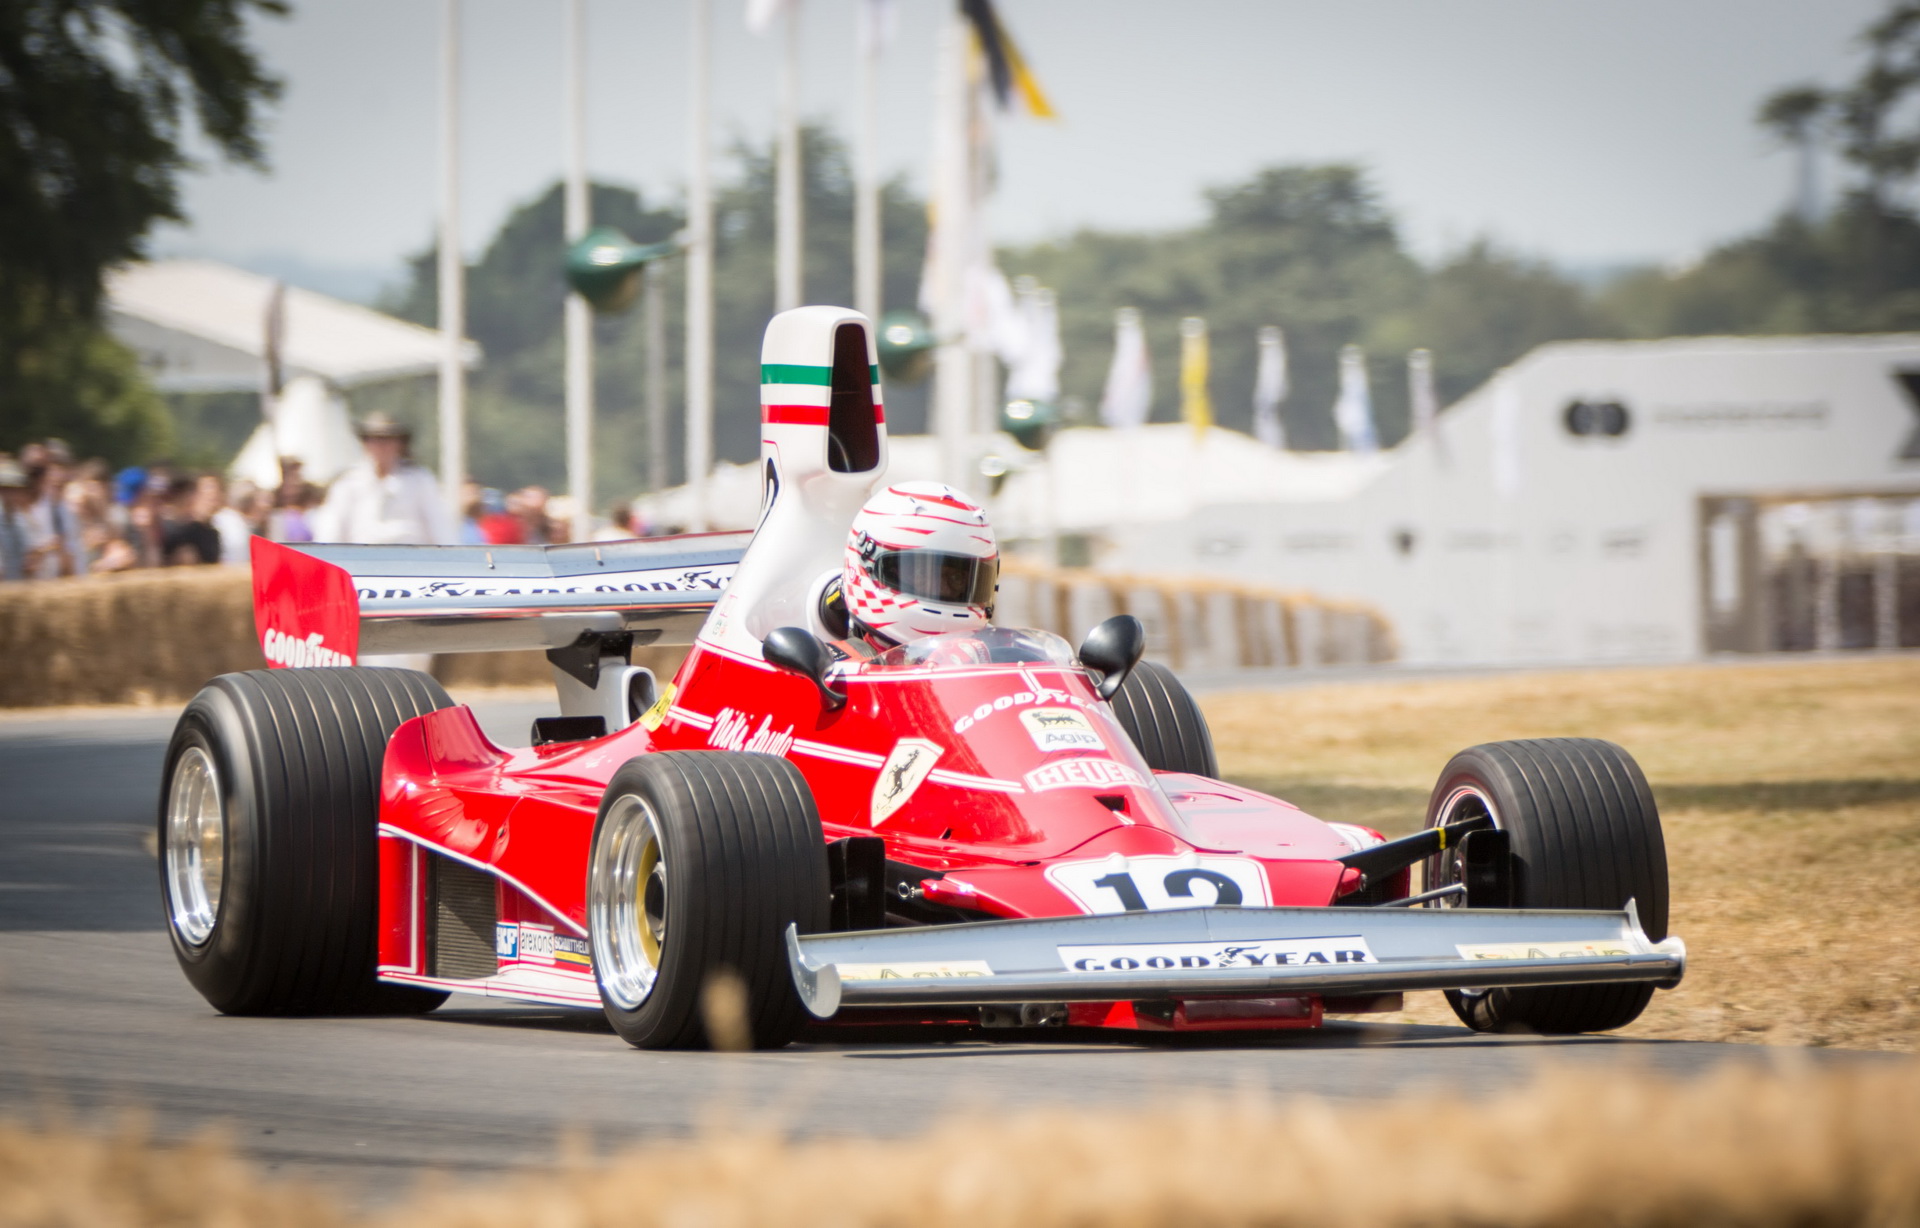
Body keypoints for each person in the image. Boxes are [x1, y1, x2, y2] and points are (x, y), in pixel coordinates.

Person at [823, 481, 999, 660]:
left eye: (957, 578)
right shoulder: (830, 672)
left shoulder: (996, 660)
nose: (944, 589)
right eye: (921, 573)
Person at [311, 413, 457, 546]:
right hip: (360, 560)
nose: (381, 446)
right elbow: (331, 530)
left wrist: (449, 557)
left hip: (410, 558)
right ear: (365, 444)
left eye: (388, 439)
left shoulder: (420, 480)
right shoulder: (347, 483)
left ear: (400, 444)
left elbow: (439, 525)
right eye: (374, 439)